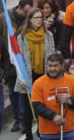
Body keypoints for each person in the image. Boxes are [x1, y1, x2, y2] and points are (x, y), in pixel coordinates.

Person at [16, 9, 56, 140]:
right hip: (28, 75)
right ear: (30, 19)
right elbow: (19, 60)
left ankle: (41, 131)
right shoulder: (22, 37)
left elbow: (52, 54)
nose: (39, 20)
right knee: (28, 108)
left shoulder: (48, 35)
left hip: (43, 75)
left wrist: (52, 74)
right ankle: (28, 134)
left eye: (41, 17)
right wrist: (21, 78)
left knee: (42, 105)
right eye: (36, 18)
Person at [30, 52, 74, 140]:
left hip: (68, 130)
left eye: (55, 66)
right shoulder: (38, 83)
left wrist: (69, 101)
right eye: (50, 66)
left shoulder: (72, 80)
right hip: (47, 132)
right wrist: (53, 116)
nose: (52, 69)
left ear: (62, 66)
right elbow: (37, 106)